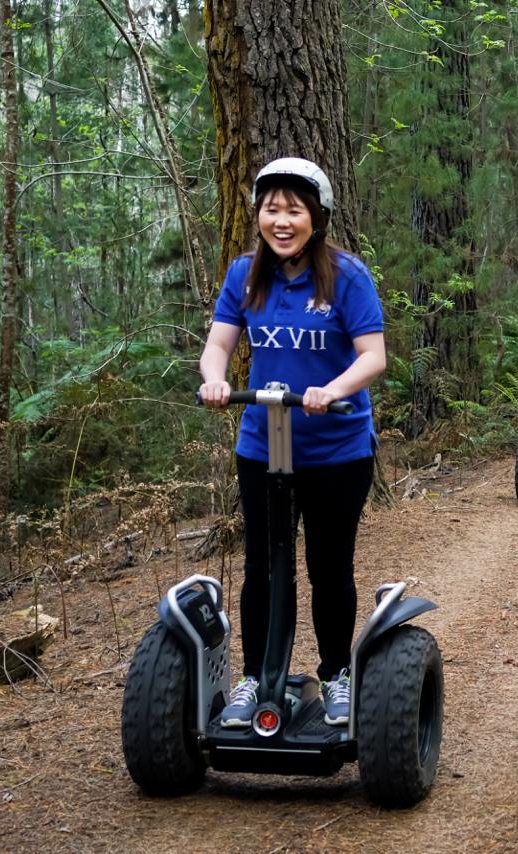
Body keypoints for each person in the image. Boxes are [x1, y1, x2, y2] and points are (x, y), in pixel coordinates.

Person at [198, 157, 386, 729]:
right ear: (258, 214)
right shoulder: (244, 274)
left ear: (317, 217)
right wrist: (214, 378)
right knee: (263, 567)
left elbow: (373, 356)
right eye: (271, 209)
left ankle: (335, 676)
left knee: (330, 568)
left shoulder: (347, 275)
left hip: (336, 449)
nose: (281, 222)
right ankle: (257, 679)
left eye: (294, 211)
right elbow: (218, 345)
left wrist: (332, 389)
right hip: (262, 444)